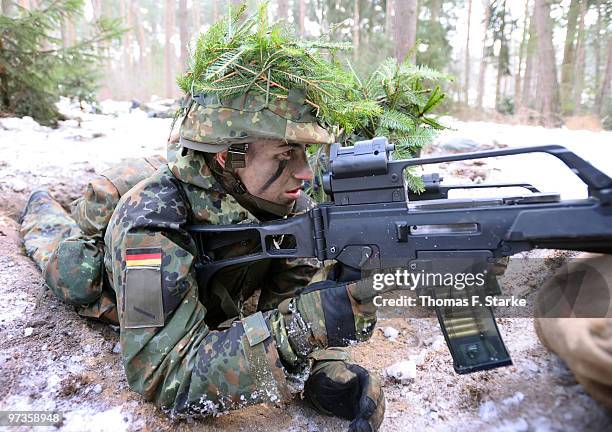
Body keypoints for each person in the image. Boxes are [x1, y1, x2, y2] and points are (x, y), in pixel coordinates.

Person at [20, 91, 385, 431]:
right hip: (104, 242)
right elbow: (166, 374)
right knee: (71, 274)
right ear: (228, 156)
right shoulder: (150, 224)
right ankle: (40, 206)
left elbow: (290, 301)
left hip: (213, 225)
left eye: (305, 153)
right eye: (285, 154)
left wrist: (325, 371)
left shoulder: (284, 201)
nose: (304, 173)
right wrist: (303, 326)